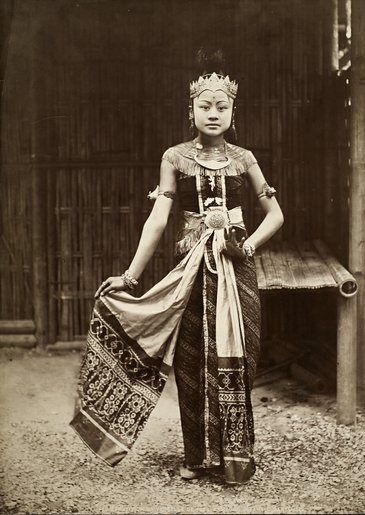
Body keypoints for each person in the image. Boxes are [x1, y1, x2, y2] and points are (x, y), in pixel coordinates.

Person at [70, 51, 284, 486]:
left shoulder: (245, 159)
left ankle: (235, 459)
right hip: (191, 271)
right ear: (191, 111)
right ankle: (197, 458)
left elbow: (276, 214)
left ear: (232, 111)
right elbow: (158, 220)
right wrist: (130, 277)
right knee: (190, 363)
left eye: (221, 106)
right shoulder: (174, 158)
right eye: (205, 106)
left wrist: (247, 245)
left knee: (239, 359)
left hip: (236, 271)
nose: (213, 113)